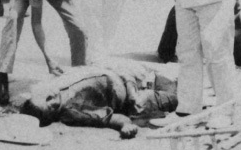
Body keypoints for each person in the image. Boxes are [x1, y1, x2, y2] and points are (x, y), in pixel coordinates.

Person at [20, 60, 178, 139]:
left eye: (45, 98)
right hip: (128, 97)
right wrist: (124, 125)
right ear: (54, 116)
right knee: (175, 98)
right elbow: (109, 118)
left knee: (168, 71)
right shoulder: (71, 113)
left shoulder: (52, 86)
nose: (52, 100)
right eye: (52, 108)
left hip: (121, 71)